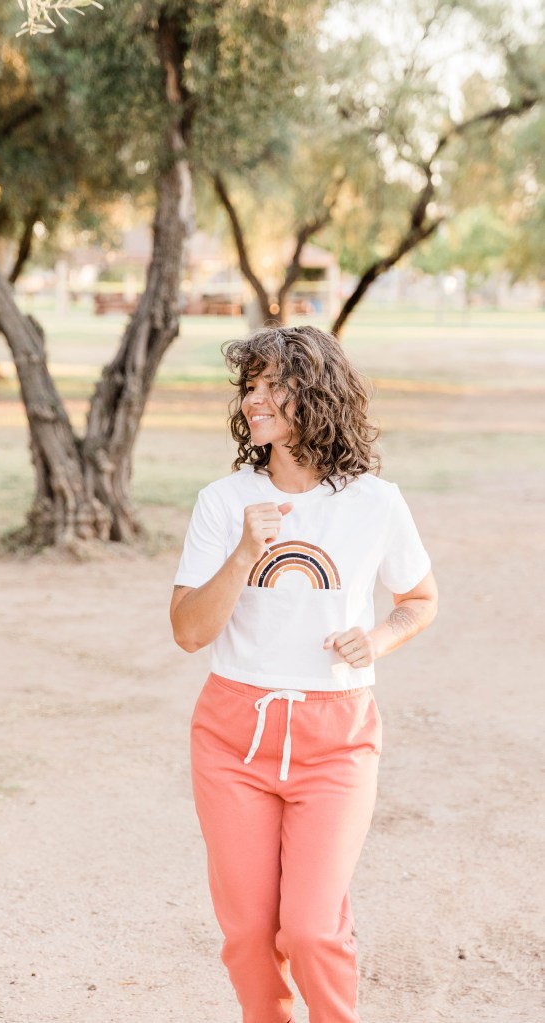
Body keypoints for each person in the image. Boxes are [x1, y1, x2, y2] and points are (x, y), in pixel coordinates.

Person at [170, 325, 438, 1023]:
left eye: (270, 386)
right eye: (248, 387)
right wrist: (243, 551)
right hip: (234, 736)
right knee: (251, 936)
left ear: (314, 397)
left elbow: (420, 600)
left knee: (313, 929)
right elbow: (189, 631)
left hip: (337, 735)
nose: (253, 400)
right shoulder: (222, 502)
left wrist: (375, 639)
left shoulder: (375, 502)